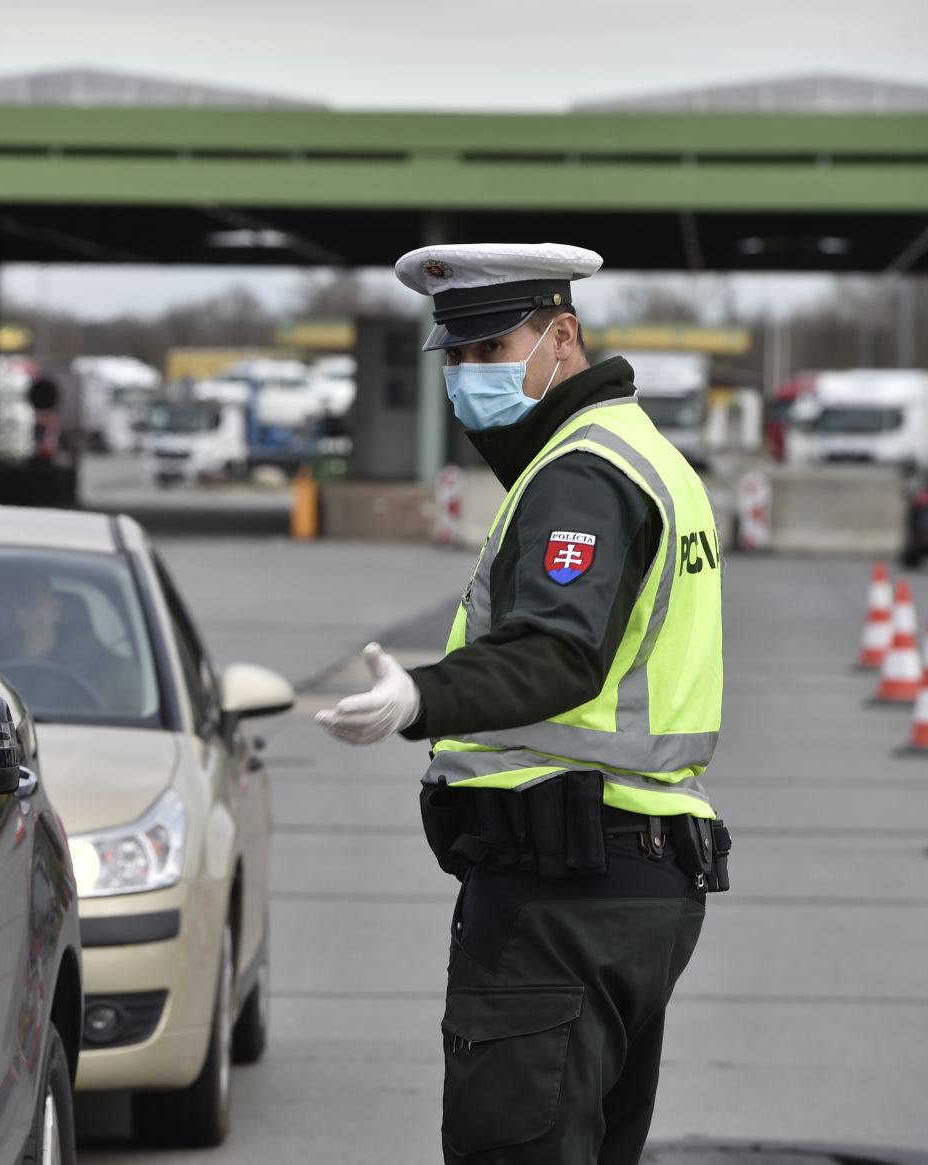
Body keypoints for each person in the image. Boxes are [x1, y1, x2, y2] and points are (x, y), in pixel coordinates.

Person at [316, 243, 730, 1164]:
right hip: (631, 880)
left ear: (563, 336)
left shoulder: (581, 472)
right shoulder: (636, 452)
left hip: (565, 894)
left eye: (492, 349)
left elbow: (559, 650)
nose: (468, 377)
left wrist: (421, 698)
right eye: (456, 358)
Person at [0, 562, 138, 711]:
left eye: (29, 601)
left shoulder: (115, 674)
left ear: (55, 609)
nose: (18, 615)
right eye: (5, 605)